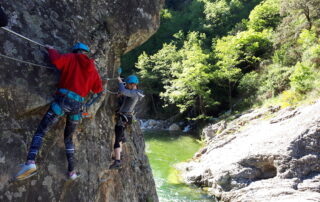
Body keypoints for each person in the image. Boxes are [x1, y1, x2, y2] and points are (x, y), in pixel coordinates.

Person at [15, 42, 104, 180]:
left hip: (63, 100)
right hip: (77, 106)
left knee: (42, 131)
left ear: (75, 51)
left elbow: (57, 61)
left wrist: (51, 49)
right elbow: (98, 89)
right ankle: (72, 172)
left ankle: (30, 162)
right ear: (86, 53)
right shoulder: (92, 68)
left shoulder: (71, 57)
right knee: (68, 138)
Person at [109, 75, 144, 169]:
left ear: (133, 85)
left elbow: (124, 91)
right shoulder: (134, 92)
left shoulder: (135, 93)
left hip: (123, 118)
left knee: (117, 140)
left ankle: (117, 161)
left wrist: (120, 81)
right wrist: (121, 96)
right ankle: (119, 153)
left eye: (127, 84)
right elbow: (125, 94)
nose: (126, 86)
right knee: (121, 137)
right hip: (125, 118)